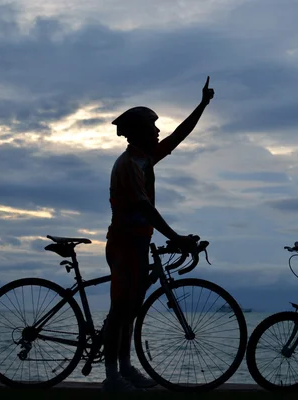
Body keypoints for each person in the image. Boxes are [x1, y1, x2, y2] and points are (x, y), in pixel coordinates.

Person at [102, 77, 215, 393]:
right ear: (138, 132)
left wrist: (202, 105)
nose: (158, 131)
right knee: (120, 312)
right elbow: (145, 208)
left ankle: (124, 369)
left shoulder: (144, 158)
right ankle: (112, 378)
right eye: (153, 127)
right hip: (125, 244)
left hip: (137, 242)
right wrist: (177, 237)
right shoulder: (129, 166)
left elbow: (179, 135)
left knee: (129, 313)